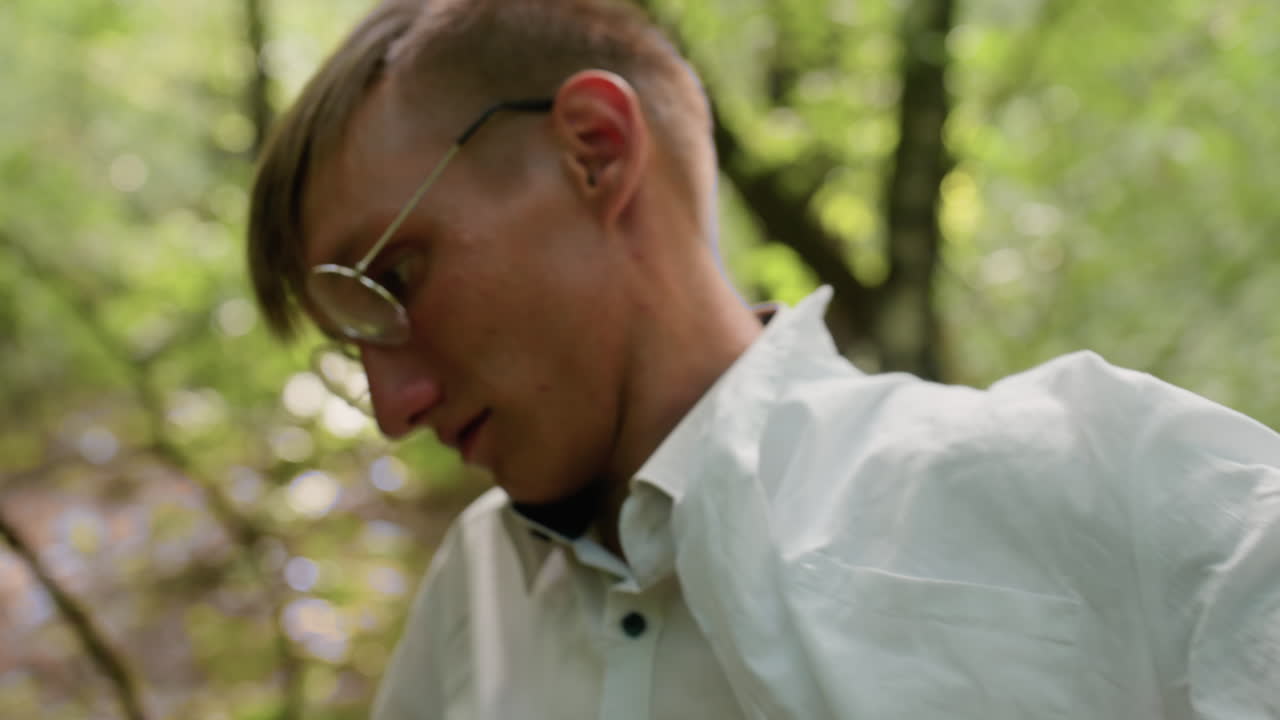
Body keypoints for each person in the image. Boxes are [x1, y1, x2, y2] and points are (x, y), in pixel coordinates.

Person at [246, 0, 1280, 717]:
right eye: (353, 343)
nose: (392, 407)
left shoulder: (1091, 475)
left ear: (594, 151)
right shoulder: (472, 599)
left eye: (393, 283)